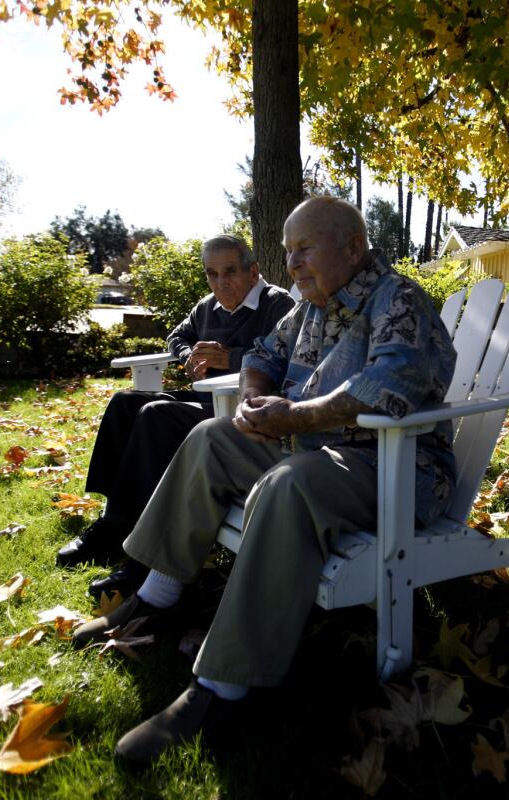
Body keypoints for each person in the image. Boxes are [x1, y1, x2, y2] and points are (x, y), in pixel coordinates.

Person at [71, 196, 457, 764]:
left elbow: (387, 386)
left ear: (353, 247)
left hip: (393, 465)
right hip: (312, 447)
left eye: (305, 248)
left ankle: (225, 687)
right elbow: (261, 352)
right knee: (211, 437)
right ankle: (159, 595)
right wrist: (253, 400)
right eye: (287, 252)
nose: (294, 263)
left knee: (288, 482)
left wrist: (295, 418)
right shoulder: (309, 307)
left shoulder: (397, 300)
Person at [56, 234, 295, 601]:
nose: (221, 283)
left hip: (237, 412)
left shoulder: (276, 304)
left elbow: (284, 357)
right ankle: (111, 523)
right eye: (212, 274)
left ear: (253, 271)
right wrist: (187, 355)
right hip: (205, 400)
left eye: (230, 271)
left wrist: (229, 358)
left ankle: (136, 547)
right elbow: (176, 336)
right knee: (126, 402)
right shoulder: (207, 307)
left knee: (157, 414)